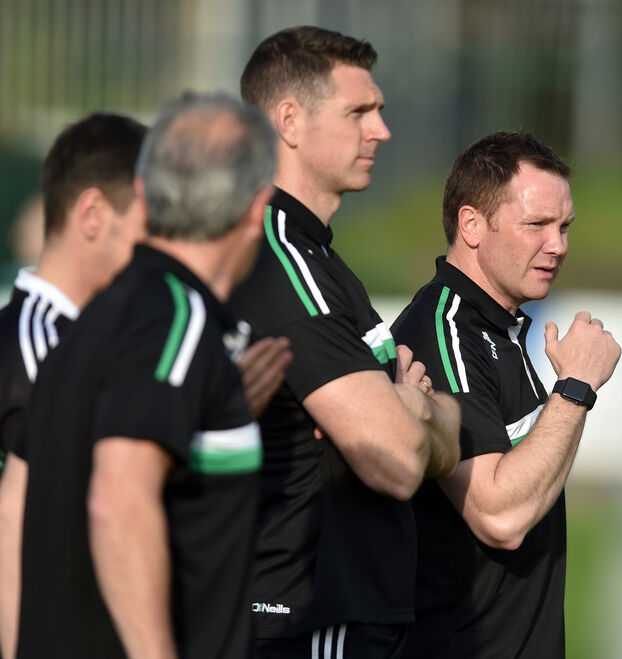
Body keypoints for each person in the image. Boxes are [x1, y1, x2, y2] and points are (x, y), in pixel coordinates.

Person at [12, 92, 278, 659]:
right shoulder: (178, 318)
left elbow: (20, 494)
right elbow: (119, 496)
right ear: (258, 209)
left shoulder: (93, 321)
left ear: (144, 191)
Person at [231, 26, 461, 657]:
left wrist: (410, 410)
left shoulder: (317, 259)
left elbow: (422, 441)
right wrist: (412, 408)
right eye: (359, 111)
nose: (380, 130)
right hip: (308, 615)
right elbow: (397, 461)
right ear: (289, 122)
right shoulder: (280, 259)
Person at [391, 131, 622, 658]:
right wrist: (576, 388)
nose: (558, 244)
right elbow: (499, 516)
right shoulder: (445, 333)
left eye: (564, 226)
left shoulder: (499, 331)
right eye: (537, 224)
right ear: (472, 224)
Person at [0, 112, 147, 658]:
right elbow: (27, 521)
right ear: (92, 214)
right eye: (148, 225)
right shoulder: (43, 347)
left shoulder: (84, 341)